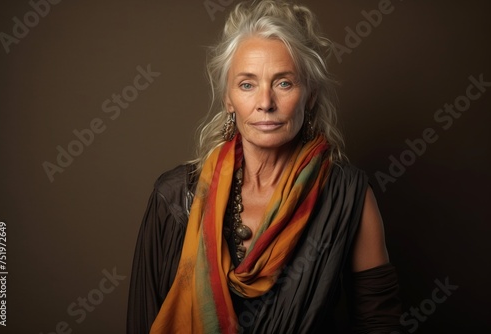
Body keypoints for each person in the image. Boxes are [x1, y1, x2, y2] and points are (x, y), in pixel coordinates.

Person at [127, 1, 402, 333]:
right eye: (247, 84)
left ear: (310, 94)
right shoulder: (172, 198)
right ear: (229, 98)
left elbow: (379, 325)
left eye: (283, 83)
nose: (265, 103)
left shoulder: (349, 196)